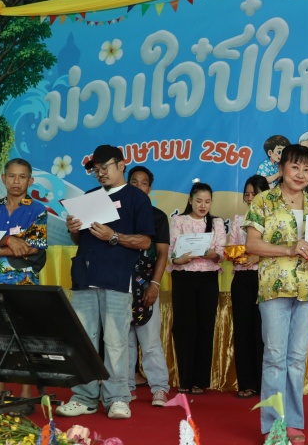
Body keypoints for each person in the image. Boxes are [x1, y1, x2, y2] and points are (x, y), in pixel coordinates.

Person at [55, 145, 154, 420]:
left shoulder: (137, 198)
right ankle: (84, 397)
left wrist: (114, 236)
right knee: (84, 340)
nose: (100, 173)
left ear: (121, 165)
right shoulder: (89, 198)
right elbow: (80, 239)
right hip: (85, 277)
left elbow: (145, 241)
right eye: (96, 170)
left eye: (104, 167)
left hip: (118, 278)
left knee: (115, 341)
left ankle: (117, 398)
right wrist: (74, 230)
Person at [244, 145, 308, 444]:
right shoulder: (264, 200)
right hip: (274, 287)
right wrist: (289, 249)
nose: (301, 174)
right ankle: (273, 425)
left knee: (297, 358)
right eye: (295, 167)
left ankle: (293, 422)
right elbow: (252, 245)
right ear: (281, 169)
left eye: (307, 169)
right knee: (275, 357)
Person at [0, 158, 48, 413]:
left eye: (22, 177)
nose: (16, 181)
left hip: (22, 281)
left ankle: (26, 397)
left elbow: (32, 247)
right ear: (3, 179)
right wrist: (9, 241)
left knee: (23, 337)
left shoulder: (37, 209)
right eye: (12, 176)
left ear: (30, 181)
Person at [167, 182, 225, 395]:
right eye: (199, 201)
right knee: (184, 328)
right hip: (183, 278)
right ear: (190, 200)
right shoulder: (178, 221)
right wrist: (178, 259)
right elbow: (171, 252)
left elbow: (222, 253)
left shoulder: (216, 222)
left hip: (208, 278)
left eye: (207, 202)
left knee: (205, 327)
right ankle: (185, 379)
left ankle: (200, 380)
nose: (203, 206)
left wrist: (214, 255)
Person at [126, 166, 171, 407]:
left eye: (143, 183)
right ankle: (125, 388)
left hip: (146, 284)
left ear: (149, 188)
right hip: (120, 284)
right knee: (123, 341)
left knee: (151, 340)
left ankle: (159, 388)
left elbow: (162, 253)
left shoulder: (157, 216)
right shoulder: (119, 214)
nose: (138, 186)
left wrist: (154, 284)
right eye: (134, 182)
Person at [227, 174, 270, 399]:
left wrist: (258, 257)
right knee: (243, 331)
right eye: (247, 194)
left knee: (263, 332)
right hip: (242, 279)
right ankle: (247, 383)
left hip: (265, 279)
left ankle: (265, 384)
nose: (251, 197)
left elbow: (280, 248)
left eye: (255, 193)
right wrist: (238, 255)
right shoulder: (238, 220)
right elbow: (231, 248)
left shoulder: (273, 218)